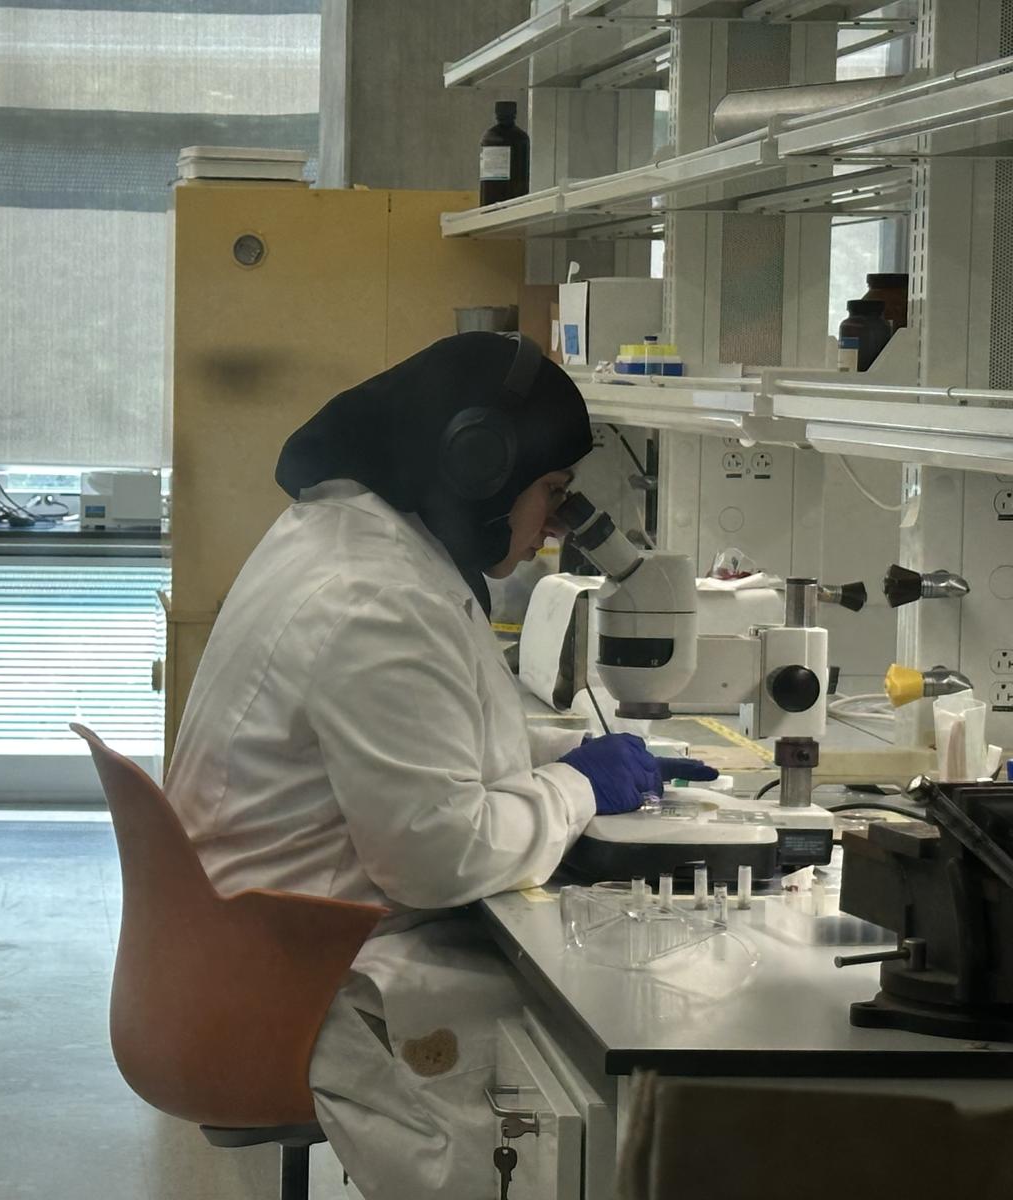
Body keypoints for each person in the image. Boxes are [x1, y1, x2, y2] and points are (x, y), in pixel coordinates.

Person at [165, 332, 716, 1199]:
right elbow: (438, 852)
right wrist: (578, 788)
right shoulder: (377, 598)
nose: (551, 530)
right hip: (303, 982)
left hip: (276, 936)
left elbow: (422, 742)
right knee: (602, 1064)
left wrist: (567, 754)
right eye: (553, 495)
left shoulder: (352, 533)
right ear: (476, 468)